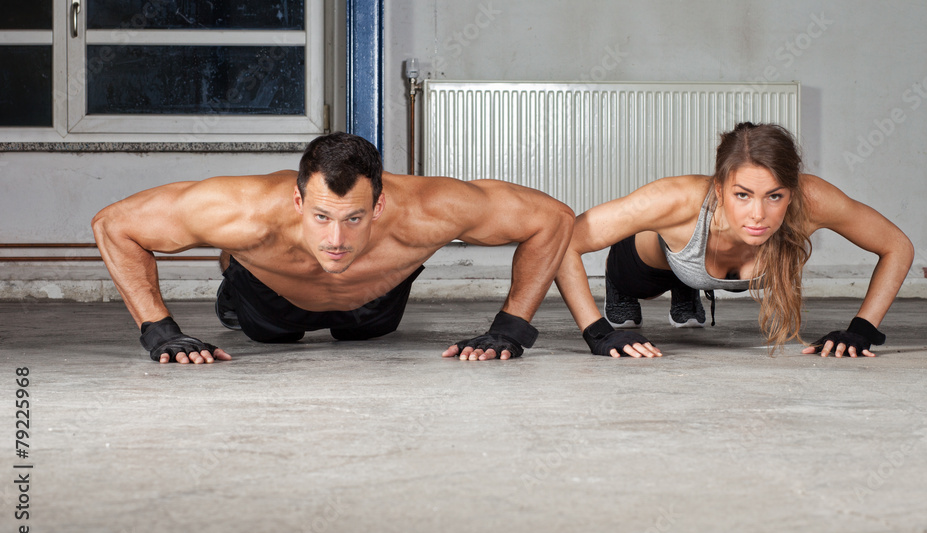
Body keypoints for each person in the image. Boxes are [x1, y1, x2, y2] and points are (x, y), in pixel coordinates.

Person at [92, 132, 575, 364]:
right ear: (298, 201)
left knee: (364, 335)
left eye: (354, 219)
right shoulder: (243, 210)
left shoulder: (428, 210)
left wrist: (511, 328)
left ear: (379, 205)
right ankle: (233, 272)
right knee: (265, 314)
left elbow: (552, 218)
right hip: (270, 303)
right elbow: (115, 224)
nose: (336, 240)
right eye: (321, 217)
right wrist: (159, 331)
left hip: (375, 307)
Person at [555, 122, 914, 359]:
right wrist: (597, 333)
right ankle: (631, 285)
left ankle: (688, 287)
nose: (758, 214)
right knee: (638, 285)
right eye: (742, 195)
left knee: (723, 268)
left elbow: (896, 246)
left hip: (706, 269)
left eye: (774, 196)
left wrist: (863, 329)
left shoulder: (812, 201)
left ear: (792, 191)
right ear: (719, 189)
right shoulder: (676, 199)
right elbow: (564, 240)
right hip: (648, 263)